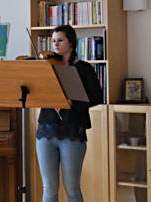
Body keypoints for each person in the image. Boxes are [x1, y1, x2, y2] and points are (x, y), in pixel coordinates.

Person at [36, 25, 103, 202]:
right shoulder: (47, 67)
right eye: (54, 41)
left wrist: (71, 103)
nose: (55, 44)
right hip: (46, 131)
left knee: (72, 188)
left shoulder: (83, 68)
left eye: (60, 40)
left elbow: (97, 96)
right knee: (49, 188)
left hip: (72, 131)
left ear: (71, 43)